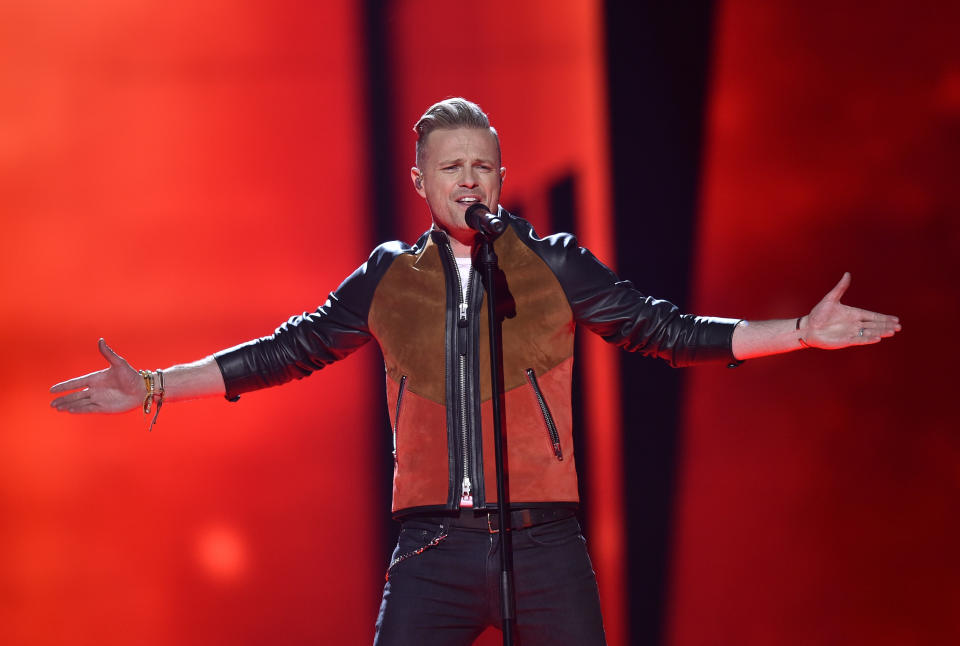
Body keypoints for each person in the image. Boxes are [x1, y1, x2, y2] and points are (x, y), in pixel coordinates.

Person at [49, 98, 901, 645]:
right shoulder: (388, 277)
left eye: (482, 165)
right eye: (451, 166)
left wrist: (801, 333)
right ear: (421, 179)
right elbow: (287, 350)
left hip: (546, 546)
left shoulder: (551, 262)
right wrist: (155, 385)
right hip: (431, 549)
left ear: (500, 173)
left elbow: (661, 331)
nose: (470, 179)